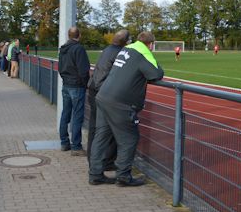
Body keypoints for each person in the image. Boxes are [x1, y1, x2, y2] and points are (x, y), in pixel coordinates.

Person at [88, 31, 164, 186]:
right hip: (120, 103)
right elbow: (156, 74)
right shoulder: (142, 52)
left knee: (101, 137)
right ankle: (123, 176)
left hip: (103, 97)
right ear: (151, 44)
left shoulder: (127, 49)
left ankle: (95, 174)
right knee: (129, 139)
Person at [86, 29, 130, 169]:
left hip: (94, 89)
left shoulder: (106, 50)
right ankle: (105, 162)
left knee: (95, 128)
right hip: (103, 92)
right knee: (108, 129)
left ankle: (94, 161)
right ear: (125, 42)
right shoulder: (120, 53)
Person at [58, 27, 91, 156]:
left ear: (68, 35)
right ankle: (76, 146)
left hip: (66, 84)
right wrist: (85, 84)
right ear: (79, 35)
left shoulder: (63, 49)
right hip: (76, 86)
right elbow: (83, 71)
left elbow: (60, 68)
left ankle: (64, 142)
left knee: (65, 114)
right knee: (77, 116)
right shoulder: (79, 49)